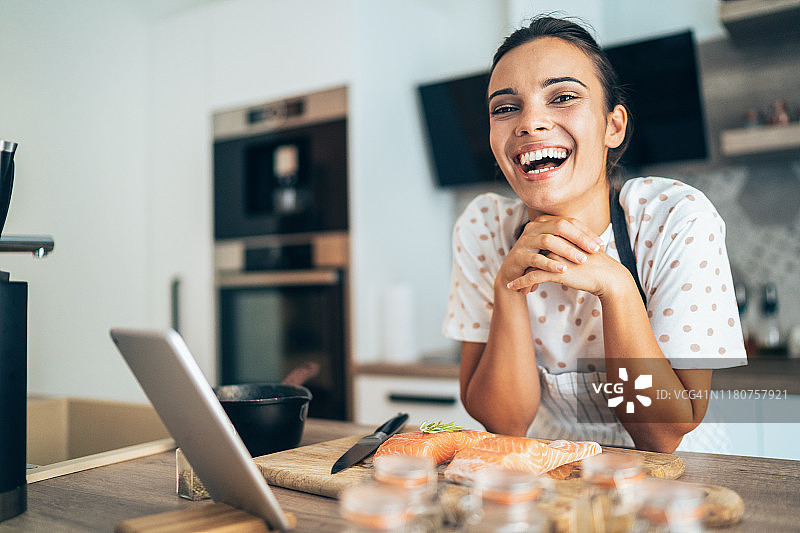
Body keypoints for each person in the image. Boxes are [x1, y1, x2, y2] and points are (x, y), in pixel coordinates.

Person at [442, 15, 747, 453]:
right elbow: (505, 423)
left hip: (682, 473)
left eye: (562, 97)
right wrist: (509, 288)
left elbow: (660, 436)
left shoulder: (676, 217)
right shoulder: (484, 228)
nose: (530, 122)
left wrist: (617, 288)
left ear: (613, 126)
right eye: (505, 108)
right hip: (558, 465)